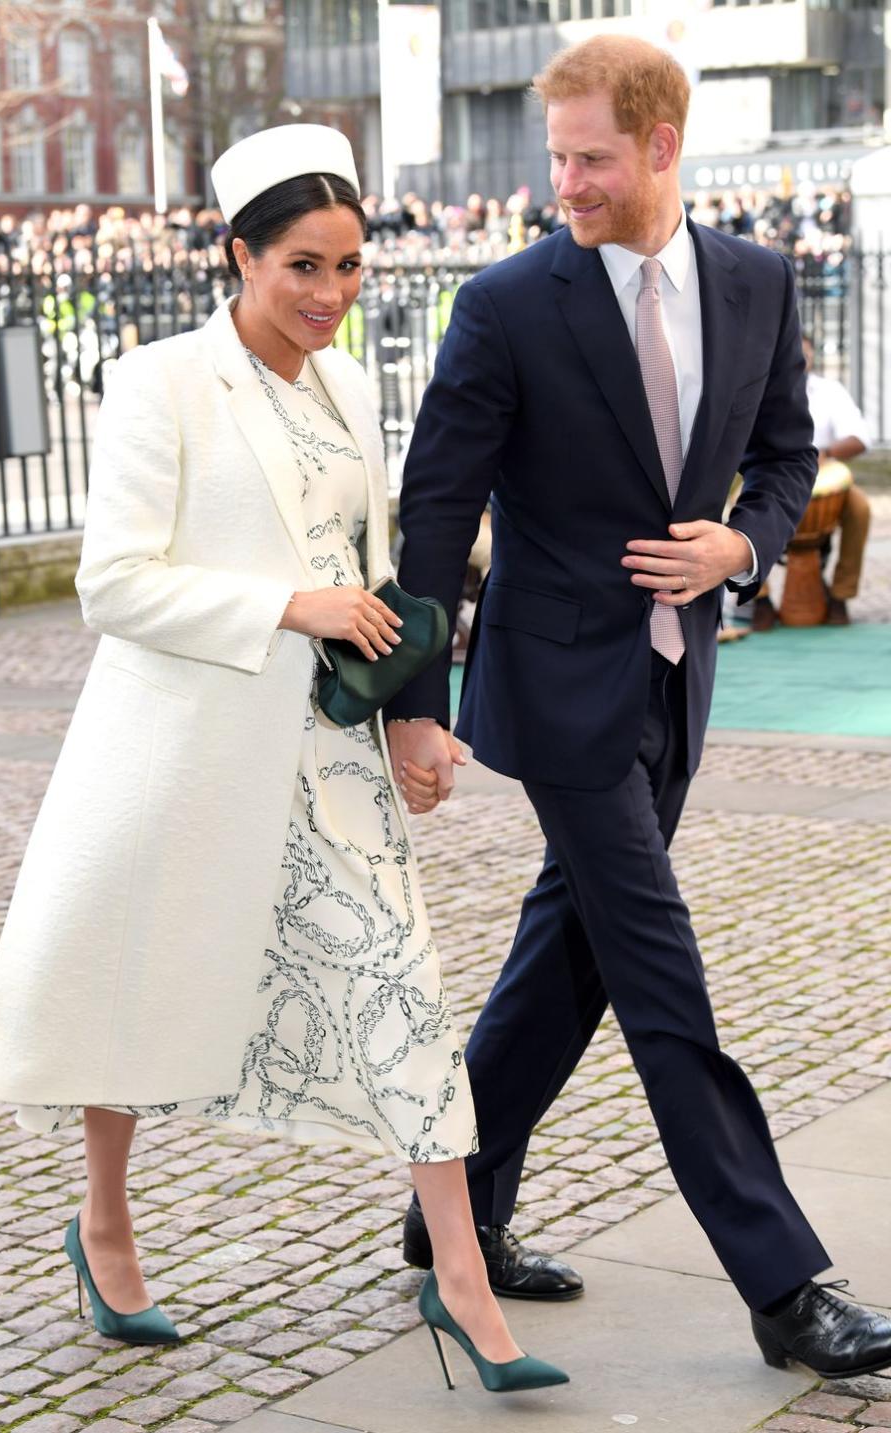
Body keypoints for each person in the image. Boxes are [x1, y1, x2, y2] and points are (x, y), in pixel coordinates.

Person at [0, 124, 566, 1395]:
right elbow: (112, 584)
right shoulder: (160, 382)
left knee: (404, 994)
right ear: (235, 254)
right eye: (303, 265)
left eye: (349, 266)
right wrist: (290, 605)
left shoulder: (349, 392)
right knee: (132, 996)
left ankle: (460, 1278)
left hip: (330, 756)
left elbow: (373, 583)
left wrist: (412, 713)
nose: (332, 296)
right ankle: (108, 1224)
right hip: (184, 751)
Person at [386, 36, 891, 1380]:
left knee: (574, 953)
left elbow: (783, 457)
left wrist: (741, 546)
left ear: (663, 147)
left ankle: (456, 1211)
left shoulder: (757, 282)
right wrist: (413, 703)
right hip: (553, 688)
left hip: (680, 672)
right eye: (556, 155)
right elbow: (436, 504)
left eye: (590, 156)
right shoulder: (505, 304)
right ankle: (786, 1287)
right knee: (662, 969)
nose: (565, 181)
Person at [752, 333, 871, 630]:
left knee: (860, 509)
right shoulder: (758, 387)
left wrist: (826, 453)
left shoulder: (830, 391)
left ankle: (841, 595)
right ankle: (759, 599)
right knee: (734, 510)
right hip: (768, 478)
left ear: (812, 357)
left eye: (804, 352)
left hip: (824, 479)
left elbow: (860, 438)